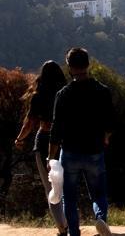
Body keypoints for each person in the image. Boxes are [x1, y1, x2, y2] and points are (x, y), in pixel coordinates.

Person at [48, 48, 114, 236]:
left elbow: (56, 129)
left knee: (69, 198)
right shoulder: (103, 91)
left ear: (69, 67)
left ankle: (74, 233)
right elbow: (109, 123)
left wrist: (50, 156)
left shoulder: (63, 94)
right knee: (98, 193)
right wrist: (106, 137)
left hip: (69, 152)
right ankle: (100, 217)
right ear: (88, 64)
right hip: (94, 150)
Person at [14, 60, 69, 236]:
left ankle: (62, 227)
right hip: (65, 141)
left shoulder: (39, 95)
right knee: (67, 185)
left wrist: (19, 139)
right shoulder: (66, 93)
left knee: (50, 187)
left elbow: (29, 123)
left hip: (44, 139)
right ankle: (70, 221)